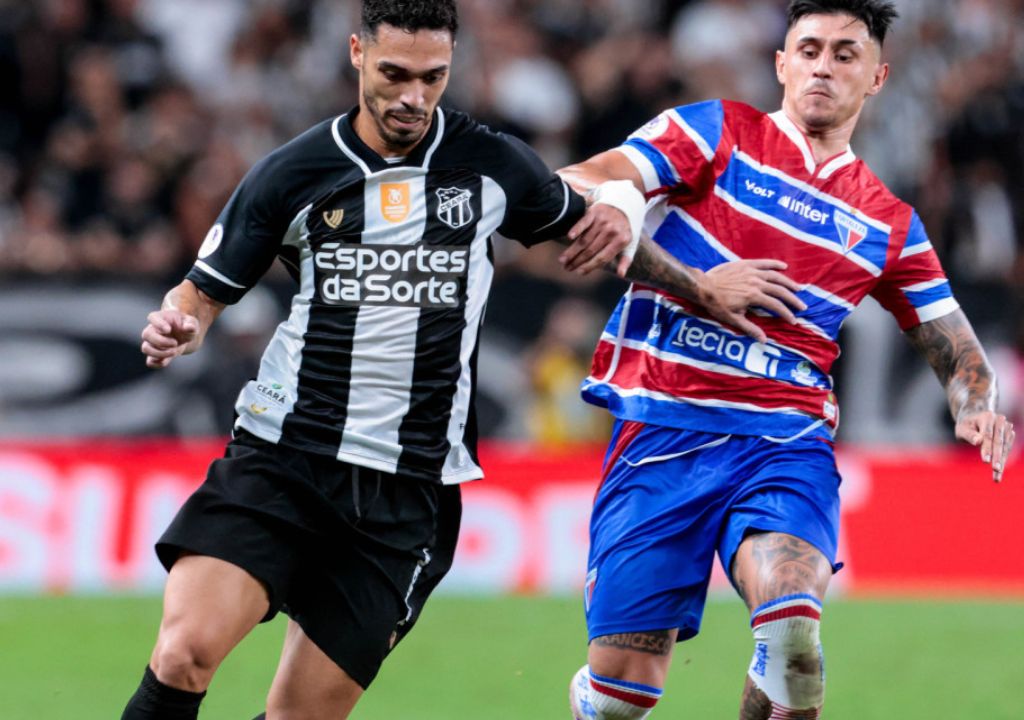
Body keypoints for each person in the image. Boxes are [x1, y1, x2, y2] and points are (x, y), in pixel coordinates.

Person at [124, 1, 807, 718]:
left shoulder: (490, 164)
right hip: (282, 459)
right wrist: (181, 324)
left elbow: (597, 233)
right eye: (394, 74)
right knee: (183, 653)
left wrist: (700, 286)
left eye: (432, 77)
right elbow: (202, 291)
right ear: (357, 53)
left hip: (407, 493)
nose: (413, 97)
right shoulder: (293, 173)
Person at [558, 1, 1017, 718]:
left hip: (783, 441)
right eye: (808, 49)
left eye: (844, 54)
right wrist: (659, 245)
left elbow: (958, 348)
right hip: (662, 431)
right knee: (621, 700)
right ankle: (598, 697)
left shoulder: (888, 221)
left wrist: (977, 406)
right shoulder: (713, 131)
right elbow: (584, 178)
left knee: (795, 637)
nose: (823, 67)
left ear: (877, 77)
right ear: (781, 63)